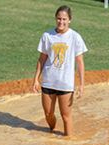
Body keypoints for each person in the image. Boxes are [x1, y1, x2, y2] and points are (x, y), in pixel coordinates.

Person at [32, 6, 87, 137]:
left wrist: (82, 84)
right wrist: (35, 79)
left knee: (66, 116)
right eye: (58, 19)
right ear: (55, 19)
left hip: (65, 84)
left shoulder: (75, 37)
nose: (61, 22)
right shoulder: (47, 36)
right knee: (48, 114)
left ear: (70, 20)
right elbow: (42, 59)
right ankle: (52, 132)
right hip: (48, 82)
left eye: (64, 19)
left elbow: (80, 62)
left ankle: (68, 142)